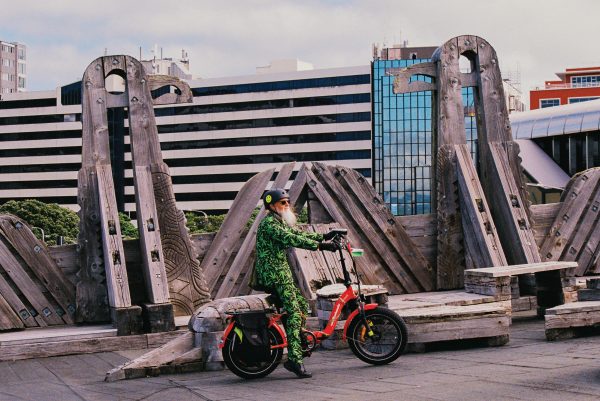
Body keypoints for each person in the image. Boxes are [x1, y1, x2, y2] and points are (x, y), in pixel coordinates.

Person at [255, 188, 339, 379]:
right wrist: (321, 246)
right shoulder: (269, 224)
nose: (287, 205)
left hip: (280, 273)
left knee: (301, 305)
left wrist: (324, 236)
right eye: (282, 202)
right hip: (274, 275)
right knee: (294, 313)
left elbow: (296, 232)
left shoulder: (279, 220)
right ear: (271, 205)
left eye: (287, 202)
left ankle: (298, 338)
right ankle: (294, 359)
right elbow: (291, 238)